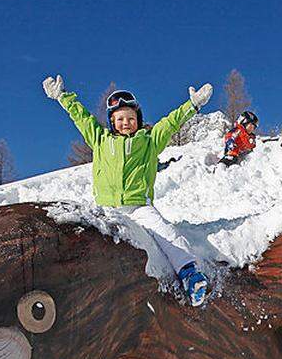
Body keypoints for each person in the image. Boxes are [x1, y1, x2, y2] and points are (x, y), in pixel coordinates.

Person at [42, 74, 215, 306]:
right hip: (107, 210)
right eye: (120, 118)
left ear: (138, 119)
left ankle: (191, 275)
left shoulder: (150, 141)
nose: (126, 122)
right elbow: (81, 117)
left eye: (131, 118)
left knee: (166, 234)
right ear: (112, 121)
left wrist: (192, 105)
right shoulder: (100, 139)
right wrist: (62, 97)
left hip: (139, 207)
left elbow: (171, 122)